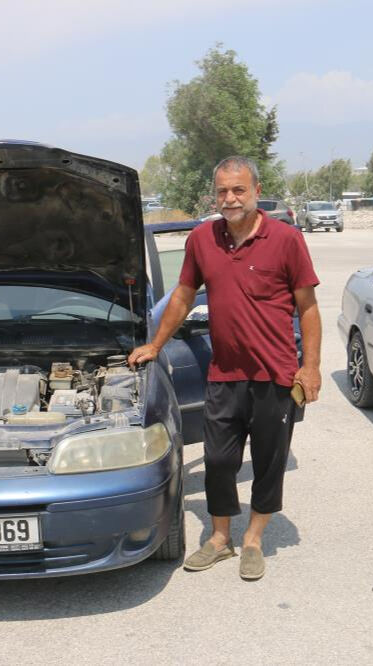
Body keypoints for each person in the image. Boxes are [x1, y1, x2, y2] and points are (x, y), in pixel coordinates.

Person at [128, 156, 321, 581]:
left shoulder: (286, 239)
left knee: (269, 461)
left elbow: (307, 309)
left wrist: (311, 367)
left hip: (275, 376)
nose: (230, 199)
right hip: (225, 373)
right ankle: (219, 538)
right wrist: (156, 344)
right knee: (218, 461)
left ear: (256, 189)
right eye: (222, 191)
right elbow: (182, 295)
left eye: (238, 190)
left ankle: (252, 538)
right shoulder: (202, 239)